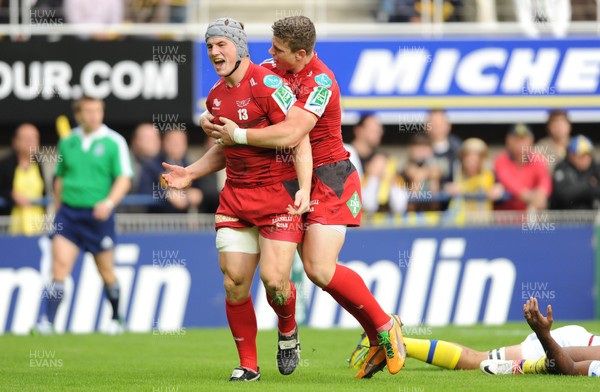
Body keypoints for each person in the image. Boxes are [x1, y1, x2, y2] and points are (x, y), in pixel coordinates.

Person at [207, 15, 406, 380]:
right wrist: (213, 124)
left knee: (318, 268)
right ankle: (377, 334)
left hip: (330, 177)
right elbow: (240, 104)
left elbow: (293, 132)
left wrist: (239, 136)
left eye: (278, 49)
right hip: (294, 179)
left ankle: (384, 324)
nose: (270, 53)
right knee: (308, 274)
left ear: (300, 54)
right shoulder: (271, 69)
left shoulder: (321, 81)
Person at [162, 17, 312, 382]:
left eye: (221, 45)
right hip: (236, 199)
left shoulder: (268, 84)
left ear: (240, 46)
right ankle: (248, 365)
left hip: (278, 198)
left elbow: (297, 135)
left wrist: (305, 187)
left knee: (276, 282)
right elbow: (225, 148)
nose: (215, 52)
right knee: (234, 283)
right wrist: (191, 172)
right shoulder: (215, 97)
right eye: (210, 46)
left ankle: (288, 330)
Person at [32, 96, 133, 335]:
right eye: (88, 111)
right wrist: (57, 210)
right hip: (68, 215)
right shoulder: (68, 142)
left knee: (106, 271)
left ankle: (117, 319)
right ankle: (48, 322)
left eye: (98, 110)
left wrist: (109, 203)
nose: (94, 115)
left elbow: (124, 178)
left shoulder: (114, 141)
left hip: (99, 216)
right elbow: (60, 178)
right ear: (78, 115)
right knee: (59, 267)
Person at [349, 323, 600, 373]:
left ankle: (397, 342)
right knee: (477, 361)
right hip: (567, 344)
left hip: (574, 340)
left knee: (478, 360)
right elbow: (572, 360)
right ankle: (395, 340)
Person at [481, 297, 600, 376]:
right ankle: (524, 366)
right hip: (571, 342)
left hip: (568, 348)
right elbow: (571, 368)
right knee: (475, 359)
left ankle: (524, 366)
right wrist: (544, 335)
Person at [345, 113, 403, 214]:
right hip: (349, 223)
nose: (379, 132)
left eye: (379, 129)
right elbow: (362, 205)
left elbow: (400, 206)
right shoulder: (345, 155)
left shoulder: (383, 159)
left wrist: (391, 180)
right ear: (359, 131)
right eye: (373, 129)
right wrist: (374, 176)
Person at [138, 129, 204, 213]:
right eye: (173, 142)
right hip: (158, 219)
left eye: (181, 142)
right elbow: (144, 191)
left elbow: (203, 190)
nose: (177, 145)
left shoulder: (192, 166)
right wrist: (166, 194)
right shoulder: (151, 166)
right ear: (164, 142)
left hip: (185, 220)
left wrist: (197, 194)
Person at [0, 123, 47, 235]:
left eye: (34, 138)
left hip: (36, 223)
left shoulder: (39, 163)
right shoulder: (5, 164)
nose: (30, 142)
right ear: (15, 141)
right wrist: (11, 194)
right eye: (26, 139)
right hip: (11, 224)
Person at [494, 123, 552, 212]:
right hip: (505, 217)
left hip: (530, 216)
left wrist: (542, 193)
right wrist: (528, 196)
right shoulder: (501, 160)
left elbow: (544, 180)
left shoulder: (537, 159)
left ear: (531, 140)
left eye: (523, 139)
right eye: (516, 139)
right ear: (508, 140)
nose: (520, 143)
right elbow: (509, 181)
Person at [444, 138, 504, 222]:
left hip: (483, 221)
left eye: (476, 155)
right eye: (468, 155)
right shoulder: (455, 172)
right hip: (460, 223)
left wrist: (498, 189)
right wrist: (448, 188)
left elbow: (498, 191)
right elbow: (445, 187)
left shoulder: (489, 174)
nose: (471, 159)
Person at [550, 135, 600, 210]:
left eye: (588, 155)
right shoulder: (562, 168)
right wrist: (588, 184)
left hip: (591, 216)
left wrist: (579, 189)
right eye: (582, 155)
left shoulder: (595, 167)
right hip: (564, 217)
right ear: (571, 155)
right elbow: (563, 195)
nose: (586, 159)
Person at [535, 109, 571, 174]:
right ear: (548, 126)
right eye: (555, 123)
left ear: (569, 125)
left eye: (562, 122)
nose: (559, 126)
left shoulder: (578, 144)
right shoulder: (540, 148)